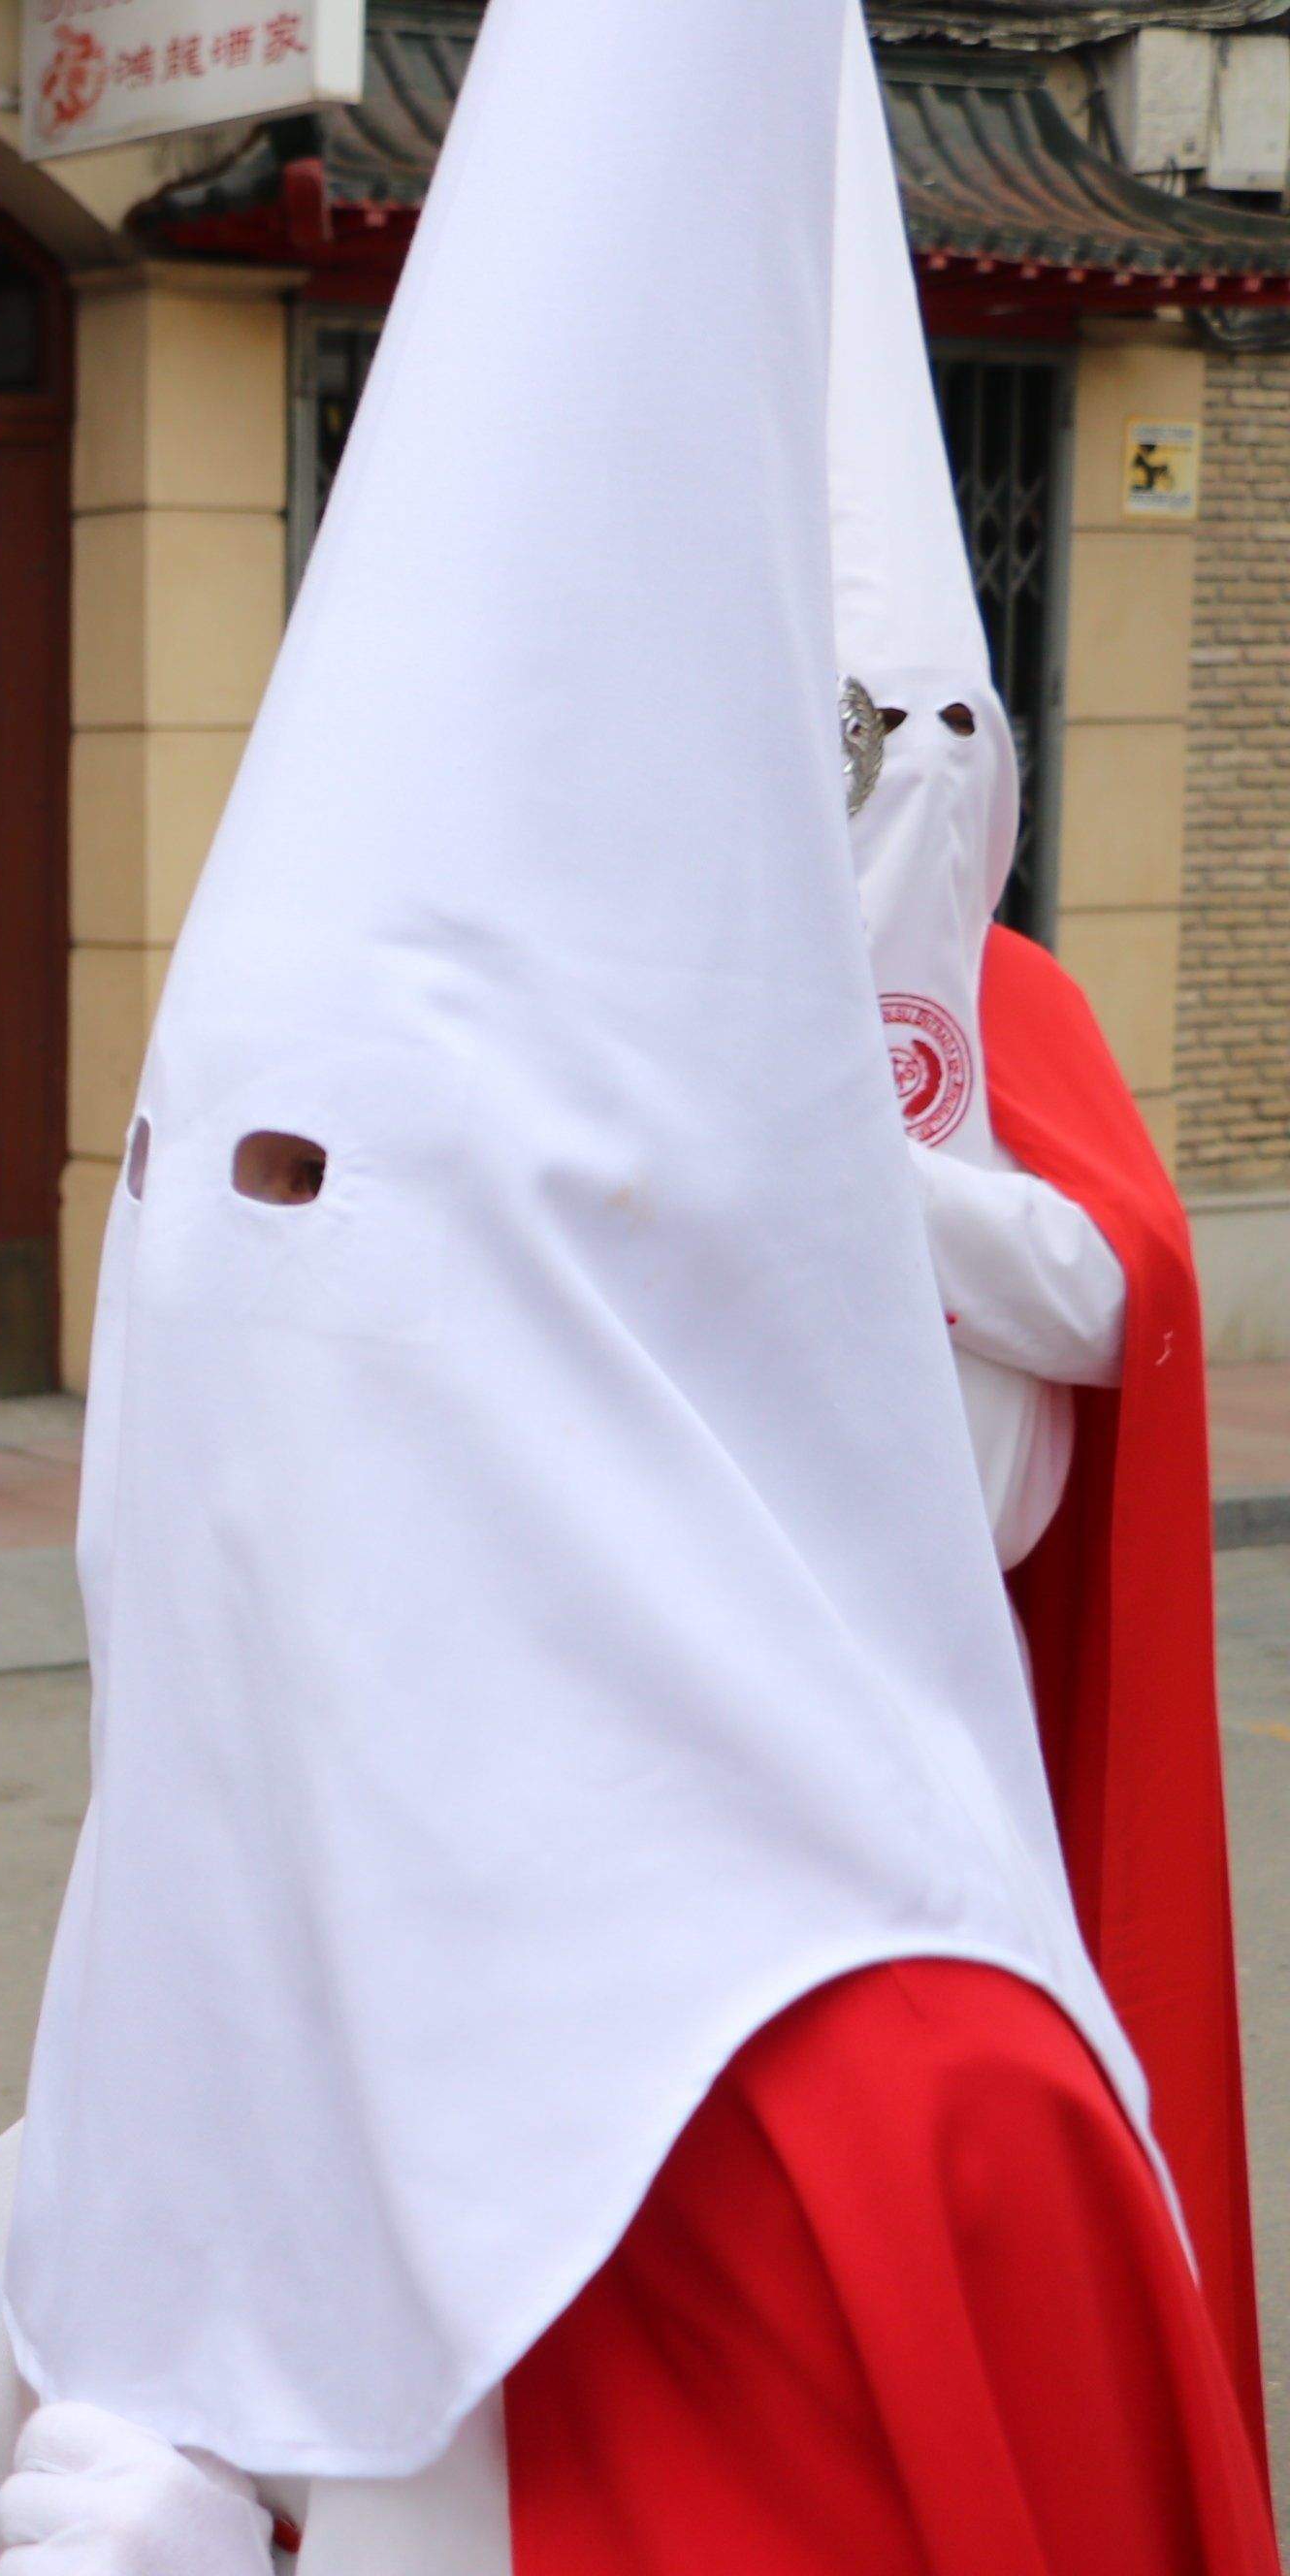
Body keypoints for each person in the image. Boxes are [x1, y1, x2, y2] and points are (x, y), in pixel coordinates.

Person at [0, 8, 1277, 2571]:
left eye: (320, 1196)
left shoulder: (921, 2117)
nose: (235, 1311)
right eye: (190, 1190)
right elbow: (44, 2294)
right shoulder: (310, 1843)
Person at [830, 93, 1265, 2444]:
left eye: (897, 739)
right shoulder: (626, 999)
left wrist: (840, 1178)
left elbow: (1121, 1301)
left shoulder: (1019, 1008)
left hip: (952, 1696)